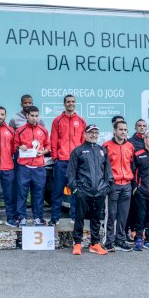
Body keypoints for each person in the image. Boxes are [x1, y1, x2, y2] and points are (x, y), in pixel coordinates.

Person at [67, 124, 113, 255]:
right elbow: (71, 172)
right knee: (79, 217)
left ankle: (95, 244)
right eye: (91, 133)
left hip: (99, 191)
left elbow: (107, 171)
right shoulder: (78, 151)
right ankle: (77, 244)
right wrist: (75, 188)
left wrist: (106, 187)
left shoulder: (102, 150)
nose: (94, 135)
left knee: (96, 218)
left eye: (96, 133)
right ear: (85, 134)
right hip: (83, 190)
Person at [49, 94, 86, 226]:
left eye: (73, 101)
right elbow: (53, 141)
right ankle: (55, 218)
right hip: (62, 161)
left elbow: (83, 142)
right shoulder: (57, 120)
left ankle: (75, 217)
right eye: (68, 102)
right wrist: (55, 158)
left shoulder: (81, 121)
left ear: (75, 104)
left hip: (76, 162)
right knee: (58, 190)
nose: (71, 103)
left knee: (76, 191)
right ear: (64, 104)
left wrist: (82, 158)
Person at [102, 120, 136, 251]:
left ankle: (120, 241)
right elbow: (103, 167)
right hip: (113, 185)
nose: (123, 132)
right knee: (111, 215)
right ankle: (108, 241)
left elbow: (132, 165)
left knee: (123, 215)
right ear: (114, 131)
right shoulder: (107, 146)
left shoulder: (130, 146)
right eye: (120, 129)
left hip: (126, 185)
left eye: (125, 130)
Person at [14, 106, 50, 227]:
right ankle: (21, 217)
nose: (34, 118)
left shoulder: (43, 130)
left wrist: (43, 152)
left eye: (36, 116)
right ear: (27, 116)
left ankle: (38, 218)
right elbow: (14, 145)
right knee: (22, 193)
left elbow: (48, 146)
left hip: (39, 167)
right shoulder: (20, 131)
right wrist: (20, 147)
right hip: (24, 167)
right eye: (32, 116)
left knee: (39, 193)